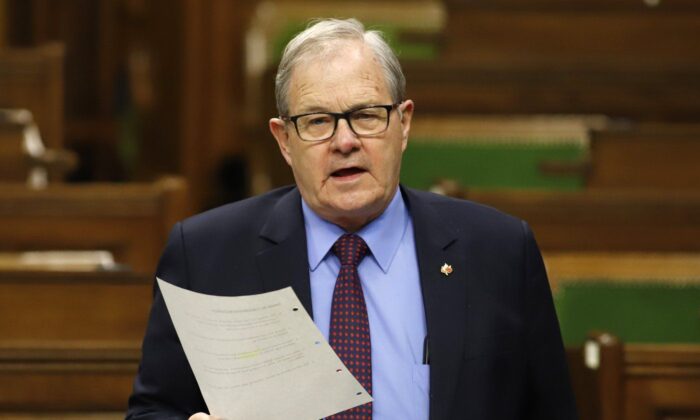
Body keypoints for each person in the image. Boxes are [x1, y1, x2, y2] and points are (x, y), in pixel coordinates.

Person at [127, 18, 577, 420]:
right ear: (284, 141)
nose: (345, 141)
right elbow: (154, 410)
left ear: (403, 124)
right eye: (318, 121)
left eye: (365, 115)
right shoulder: (206, 255)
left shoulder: (498, 251)